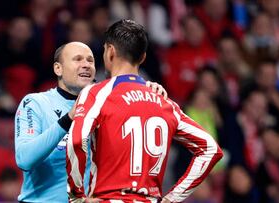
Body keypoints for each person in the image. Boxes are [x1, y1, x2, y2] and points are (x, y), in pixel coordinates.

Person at [66, 19, 223, 202]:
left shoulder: (96, 93)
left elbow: (76, 141)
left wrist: (77, 197)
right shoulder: (164, 102)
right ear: (143, 58)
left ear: (110, 51)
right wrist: (172, 198)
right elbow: (211, 149)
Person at [14, 41, 167, 202]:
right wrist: (69, 118)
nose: (86, 65)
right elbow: (25, 159)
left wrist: (147, 93)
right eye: (78, 59)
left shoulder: (107, 103)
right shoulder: (35, 103)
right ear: (58, 68)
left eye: (90, 60)